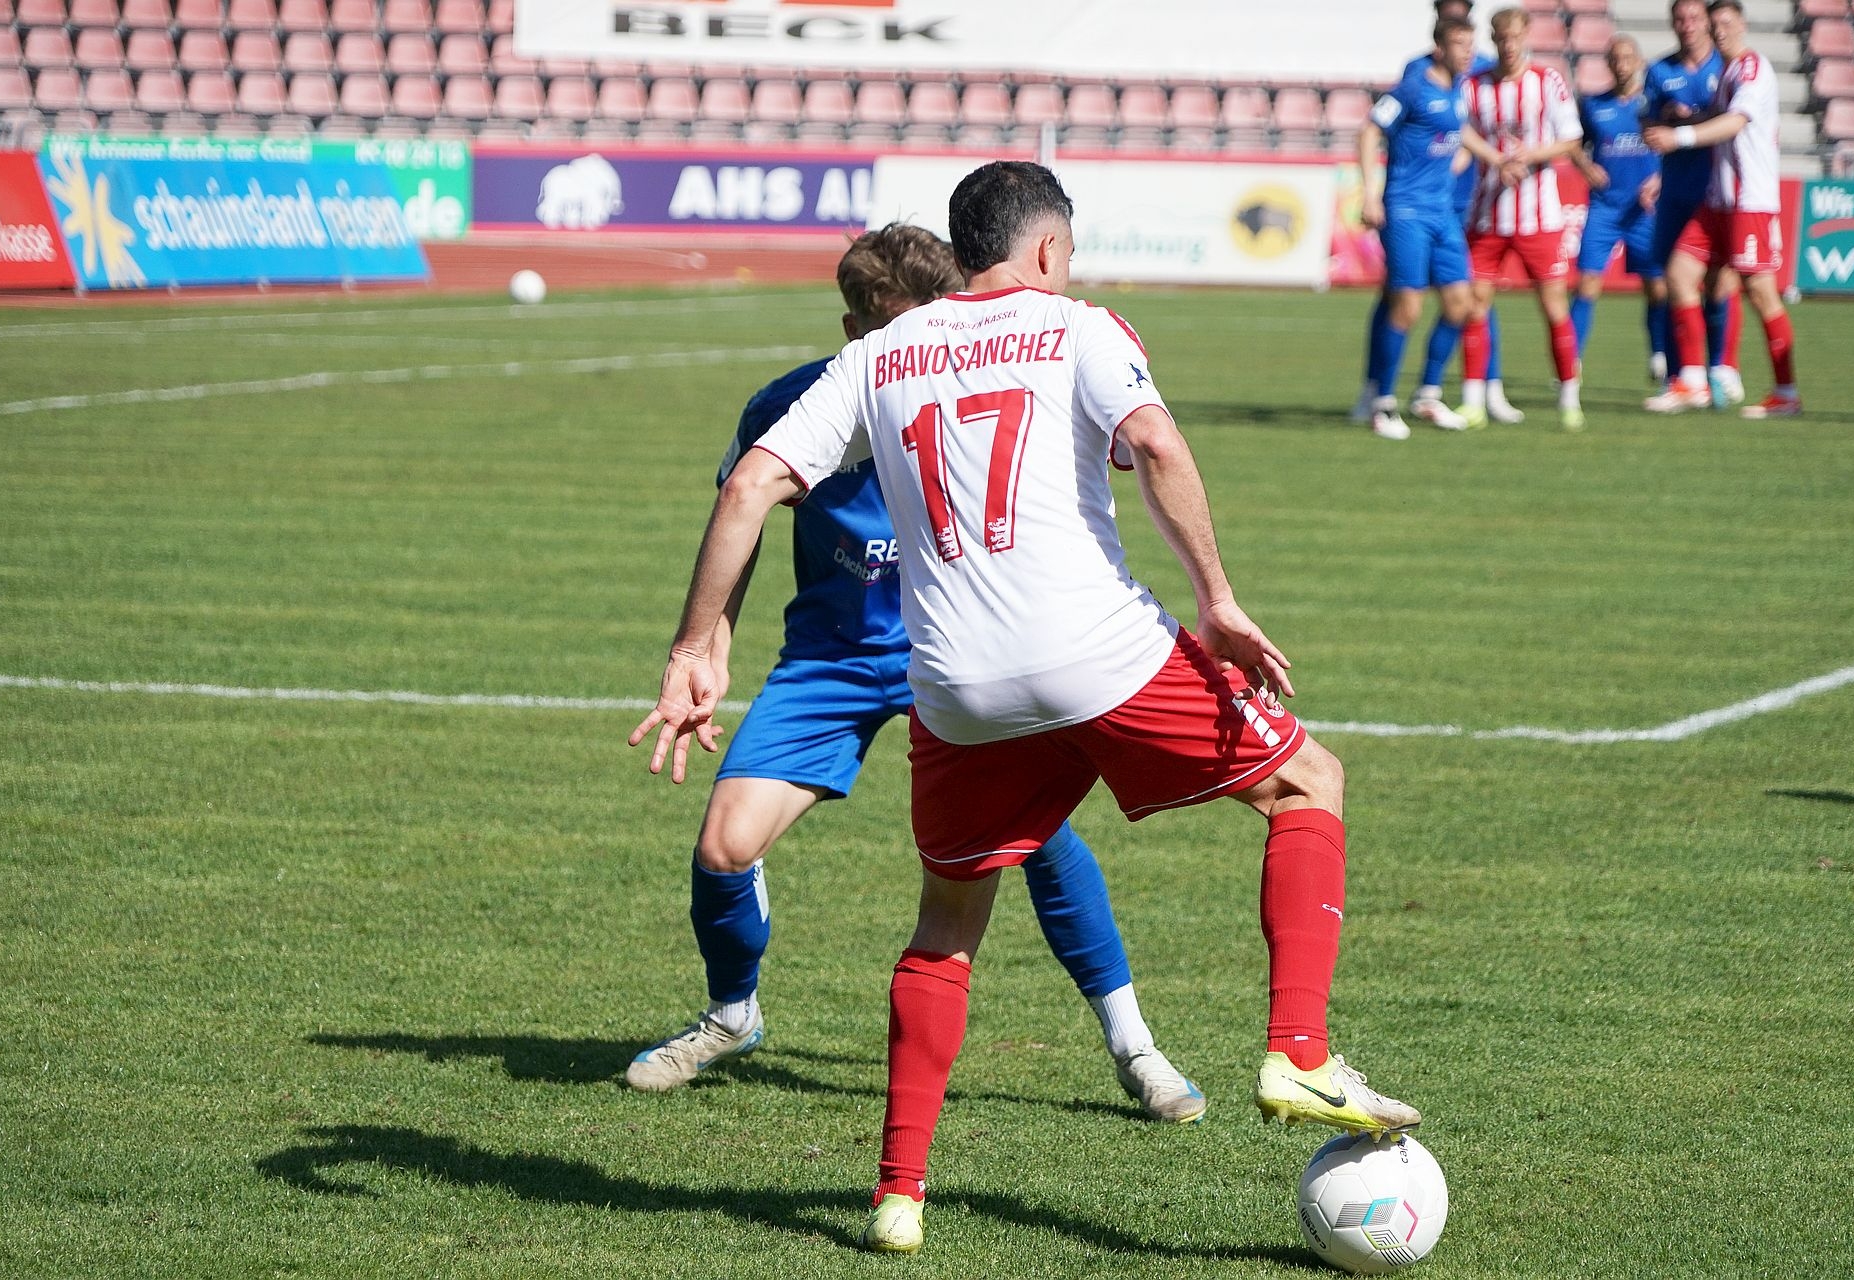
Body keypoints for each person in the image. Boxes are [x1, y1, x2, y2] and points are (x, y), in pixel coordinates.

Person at [635, 162, 1421, 1256]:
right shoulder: (1080, 325)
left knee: (947, 924)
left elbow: (748, 487)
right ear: (1047, 249)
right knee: (1309, 782)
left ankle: (899, 1195)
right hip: (1098, 655)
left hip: (955, 685)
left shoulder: (875, 356)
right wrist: (1219, 602)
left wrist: (694, 647)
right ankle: (1299, 1048)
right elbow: (1156, 444)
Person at [625, 224, 1208, 1124]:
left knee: (1040, 839)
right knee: (724, 848)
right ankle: (732, 1015)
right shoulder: (791, 407)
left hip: (959, 652)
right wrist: (707, 644)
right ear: (852, 330)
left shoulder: (992, 390)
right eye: (887, 331)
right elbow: (742, 511)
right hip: (831, 660)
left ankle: (1136, 1045)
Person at [1354, 0, 1524, 430]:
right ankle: (1382, 403)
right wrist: (1370, 194)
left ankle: (1428, 394)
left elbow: (1459, 130)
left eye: (1471, 44)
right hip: (1406, 210)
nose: (1468, 53)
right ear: (1439, 48)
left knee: (1461, 303)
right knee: (1407, 306)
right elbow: (1370, 130)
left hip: (1443, 212)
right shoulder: (1413, 87)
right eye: (1460, 45)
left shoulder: (1458, 89)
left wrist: (1495, 159)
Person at [1642, 0, 1800, 418]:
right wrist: (1680, 119)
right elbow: (1716, 114)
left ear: (1742, 25)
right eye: (1715, 26)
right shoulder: (1729, 72)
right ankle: (1693, 382)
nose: (1720, 31)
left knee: (1761, 292)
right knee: (1679, 274)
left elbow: (1735, 121)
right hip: (1717, 201)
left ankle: (1786, 392)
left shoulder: (1752, 68)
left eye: (1726, 23)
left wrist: (1680, 137)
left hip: (1749, 202)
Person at [1459, 5, 1590, 430]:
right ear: (1494, 41)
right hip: (1487, 217)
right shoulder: (1474, 86)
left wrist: (1528, 156)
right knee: (1474, 305)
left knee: (1553, 307)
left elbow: (1570, 138)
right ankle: (1473, 401)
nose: (1509, 46)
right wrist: (1495, 157)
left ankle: (1569, 397)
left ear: (1526, 37)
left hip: (1540, 218)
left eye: (1515, 38)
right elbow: (1460, 130)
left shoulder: (1547, 81)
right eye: (1502, 39)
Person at [1642, 0, 1743, 403]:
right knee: (1673, 282)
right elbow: (1648, 126)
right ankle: (1679, 374)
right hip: (1675, 192)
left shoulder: (1727, 67)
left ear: (1707, 23)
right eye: (1680, 19)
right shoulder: (1659, 71)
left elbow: (1735, 120)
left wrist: (1690, 121)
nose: (1687, 25)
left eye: (1694, 18)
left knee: (1719, 283)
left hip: (1716, 192)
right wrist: (1664, 118)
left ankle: (1723, 369)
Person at [1572, 34, 1672, 383]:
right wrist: (1586, 166)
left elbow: (1676, 147)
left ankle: (1659, 355)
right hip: (1605, 208)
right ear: (1608, 64)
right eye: (1615, 57)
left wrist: (1660, 178)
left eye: (1628, 56)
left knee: (1656, 286)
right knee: (1587, 282)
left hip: (1645, 211)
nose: (1622, 63)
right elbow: (1572, 144)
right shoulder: (1593, 105)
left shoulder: (1656, 105)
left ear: (1640, 62)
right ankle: (1570, 362)